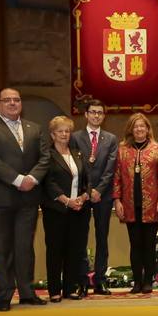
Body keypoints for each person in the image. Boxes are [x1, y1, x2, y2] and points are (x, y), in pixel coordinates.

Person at [0, 87, 48, 311]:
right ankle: (4, 295)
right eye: (7, 100)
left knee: (25, 247)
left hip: (28, 198)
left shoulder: (34, 128)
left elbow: (45, 157)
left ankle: (26, 292)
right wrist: (17, 179)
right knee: (1, 249)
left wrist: (33, 178)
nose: (13, 103)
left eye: (16, 100)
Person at [113, 112, 158, 294]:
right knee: (135, 244)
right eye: (136, 126)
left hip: (152, 204)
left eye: (142, 126)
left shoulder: (156, 148)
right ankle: (137, 281)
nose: (139, 129)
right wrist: (117, 200)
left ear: (147, 129)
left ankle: (148, 281)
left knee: (149, 245)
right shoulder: (122, 150)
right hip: (130, 205)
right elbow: (117, 178)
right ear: (131, 129)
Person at [72, 98, 119, 295]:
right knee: (80, 238)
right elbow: (75, 165)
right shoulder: (75, 137)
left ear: (104, 115)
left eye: (100, 112)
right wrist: (88, 191)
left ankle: (100, 280)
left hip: (103, 195)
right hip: (82, 194)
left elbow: (110, 168)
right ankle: (82, 281)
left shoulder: (110, 139)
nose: (96, 115)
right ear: (86, 114)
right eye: (93, 112)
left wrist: (99, 190)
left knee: (102, 237)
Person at [41, 115, 91, 302]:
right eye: (60, 131)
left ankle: (70, 288)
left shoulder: (77, 153)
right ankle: (54, 290)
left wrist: (84, 196)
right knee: (55, 250)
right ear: (53, 134)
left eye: (67, 131)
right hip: (56, 210)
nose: (64, 134)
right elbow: (48, 182)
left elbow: (87, 178)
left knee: (74, 249)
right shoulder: (47, 154)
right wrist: (66, 200)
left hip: (78, 209)